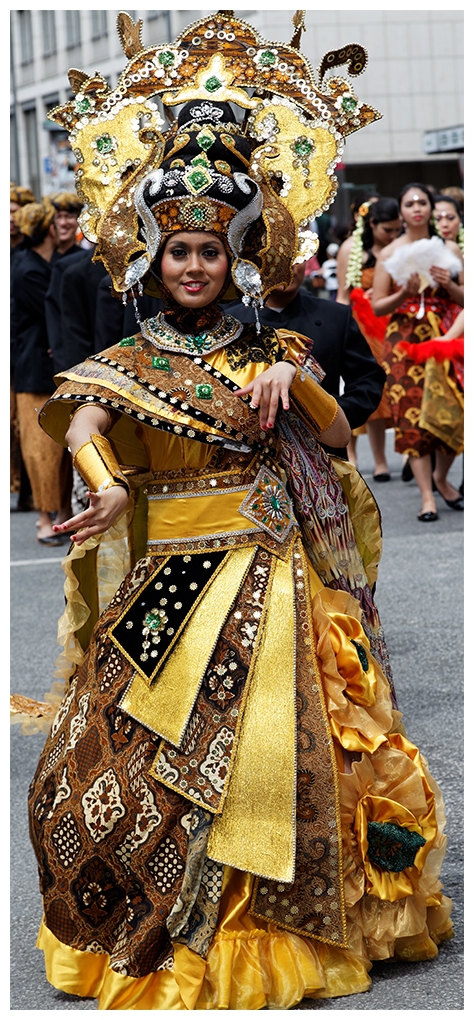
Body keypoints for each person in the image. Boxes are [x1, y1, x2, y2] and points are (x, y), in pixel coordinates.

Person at [15, 12, 453, 1010]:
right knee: (131, 762)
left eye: (211, 250)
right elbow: (82, 412)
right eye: (179, 253)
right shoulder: (129, 360)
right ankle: (161, 929)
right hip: (165, 586)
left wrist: (291, 387)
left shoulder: (275, 355)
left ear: (238, 254)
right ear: (152, 260)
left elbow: (343, 439)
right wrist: (107, 478)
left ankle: (274, 932)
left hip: (269, 578)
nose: (195, 267)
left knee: (278, 753)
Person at [226, 260, 386, 459]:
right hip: (252, 457)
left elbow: (368, 379)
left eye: (296, 259)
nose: (289, 267)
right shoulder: (230, 323)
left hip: (325, 455)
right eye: (279, 258)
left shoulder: (335, 316)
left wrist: (332, 415)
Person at [372, 183, 464, 521]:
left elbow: (465, 300)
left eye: (422, 202)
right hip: (404, 340)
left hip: (443, 336)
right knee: (410, 416)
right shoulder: (389, 253)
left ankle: (441, 478)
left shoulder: (450, 250)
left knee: (451, 409)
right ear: (401, 212)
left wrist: (451, 283)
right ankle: (427, 495)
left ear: (430, 207)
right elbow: (378, 306)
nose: (416, 208)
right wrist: (403, 294)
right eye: (409, 203)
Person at [10, 197, 71, 544]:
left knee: (59, 446)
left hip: (46, 365)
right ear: (48, 228)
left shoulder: (45, 261)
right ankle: (45, 520)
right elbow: (54, 307)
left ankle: (61, 515)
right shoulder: (28, 269)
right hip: (33, 367)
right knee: (41, 450)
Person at [336, 197, 402, 479]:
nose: (393, 236)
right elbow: (341, 294)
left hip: (393, 326)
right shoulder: (351, 250)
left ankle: (382, 459)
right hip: (362, 327)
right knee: (363, 390)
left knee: (390, 393)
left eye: (397, 230)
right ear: (372, 224)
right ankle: (354, 454)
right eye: (388, 230)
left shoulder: (400, 249)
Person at [10, 183, 37, 511]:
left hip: (24, 348)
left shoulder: (31, 254)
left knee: (24, 424)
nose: (11, 221)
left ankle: (26, 488)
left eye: (15, 214)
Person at [49, 191, 84, 260]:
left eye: (69, 217)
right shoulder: (42, 258)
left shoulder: (86, 259)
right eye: (58, 217)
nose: (63, 223)